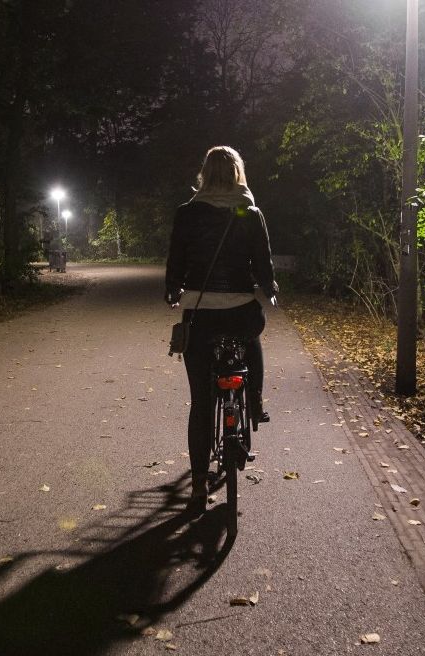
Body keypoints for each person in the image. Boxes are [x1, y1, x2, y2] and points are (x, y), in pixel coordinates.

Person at [164, 145, 278, 507]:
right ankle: (254, 400)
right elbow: (263, 262)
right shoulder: (250, 212)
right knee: (252, 334)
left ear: (205, 174)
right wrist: (269, 288)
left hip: (200, 313)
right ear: (237, 174)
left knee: (201, 401)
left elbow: (176, 260)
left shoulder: (187, 213)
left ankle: (199, 484)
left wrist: (172, 291)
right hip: (240, 310)